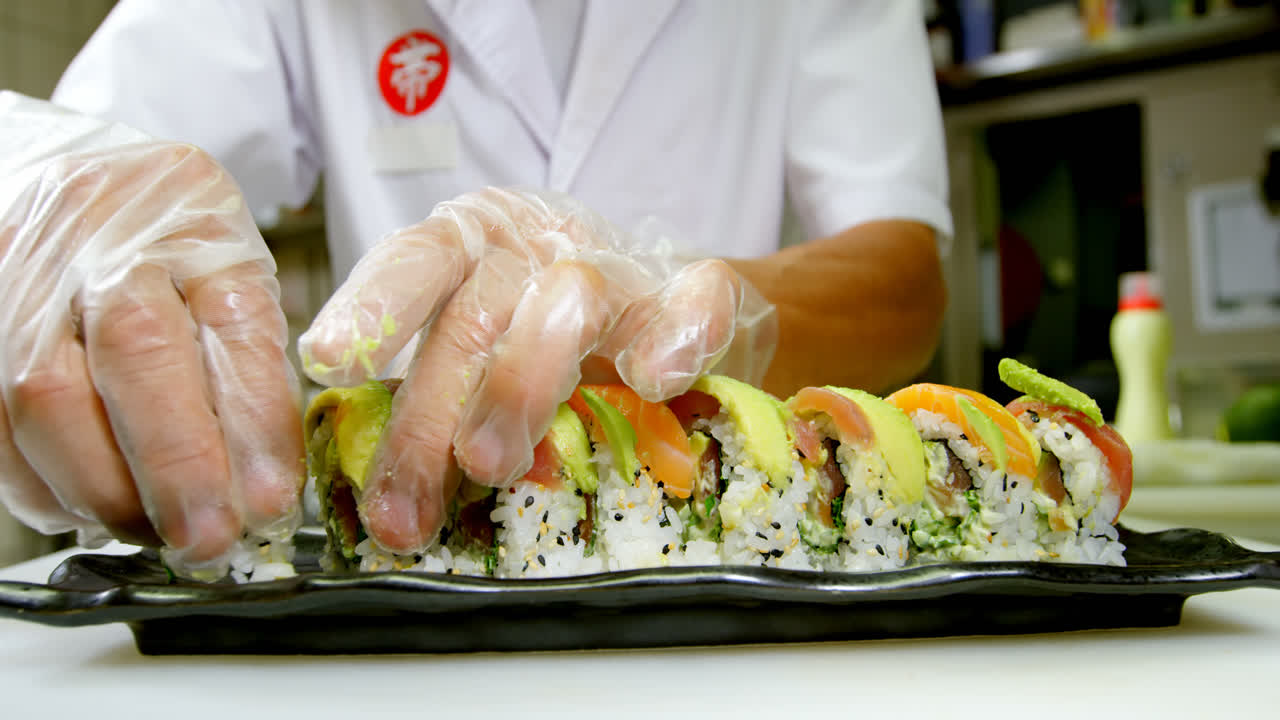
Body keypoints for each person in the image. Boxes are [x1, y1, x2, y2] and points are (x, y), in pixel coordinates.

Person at [0, 0, 950, 576]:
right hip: (410, 562)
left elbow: (906, 273)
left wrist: (725, 311)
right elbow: (71, 136)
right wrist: (42, 185)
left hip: (731, 548)